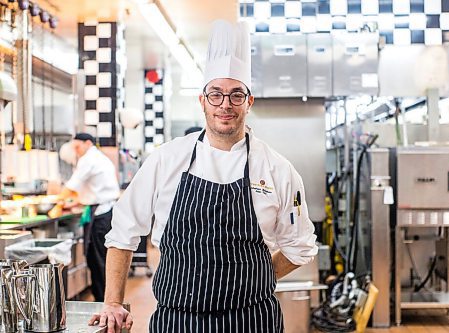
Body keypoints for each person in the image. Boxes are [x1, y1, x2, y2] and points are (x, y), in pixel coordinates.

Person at [90, 20, 318, 332]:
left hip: (252, 320)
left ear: (249, 102)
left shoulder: (277, 170)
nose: (226, 104)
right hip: (178, 320)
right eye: (216, 94)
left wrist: (256, 281)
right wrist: (113, 302)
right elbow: (123, 233)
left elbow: (300, 247)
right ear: (203, 101)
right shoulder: (165, 160)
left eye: (237, 95)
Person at [57, 133, 120, 302]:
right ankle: (105, 300)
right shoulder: (98, 157)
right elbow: (91, 190)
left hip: (100, 216)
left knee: (97, 260)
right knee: (100, 259)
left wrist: (56, 202)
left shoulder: (89, 159)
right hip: (105, 212)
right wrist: (74, 202)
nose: (76, 151)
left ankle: (103, 302)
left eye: (77, 147)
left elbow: (71, 187)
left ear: (87, 143)